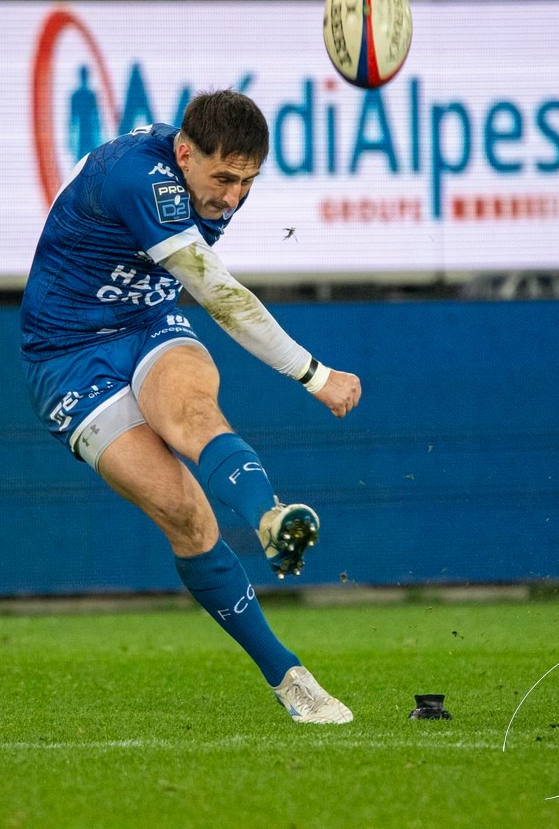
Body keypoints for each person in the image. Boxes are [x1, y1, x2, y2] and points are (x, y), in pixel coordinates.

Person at [20, 90, 361, 724]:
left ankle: (269, 520)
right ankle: (284, 671)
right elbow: (216, 290)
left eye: (247, 182)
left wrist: (228, 183)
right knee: (186, 515)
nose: (232, 196)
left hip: (148, 322)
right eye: (223, 178)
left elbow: (196, 268)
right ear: (184, 154)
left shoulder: (213, 178)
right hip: (67, 354)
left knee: (195, 413)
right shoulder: (139, 177)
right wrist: (313, 374)